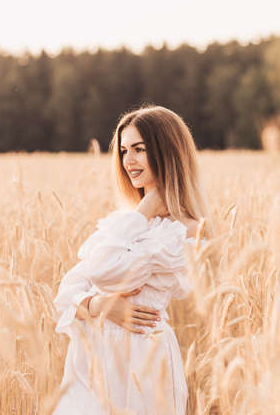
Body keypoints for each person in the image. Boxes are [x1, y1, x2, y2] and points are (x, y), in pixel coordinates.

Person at [52, 105, 211, 415]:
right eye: (124, 151)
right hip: (93, 359)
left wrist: (143, 213)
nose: (129, 161)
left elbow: (101, 272)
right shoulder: (122, 222)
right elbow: (66, 292)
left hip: (143, 358)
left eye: (139, 149)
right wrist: (100, 306)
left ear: (167, 151)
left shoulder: (187, 230)